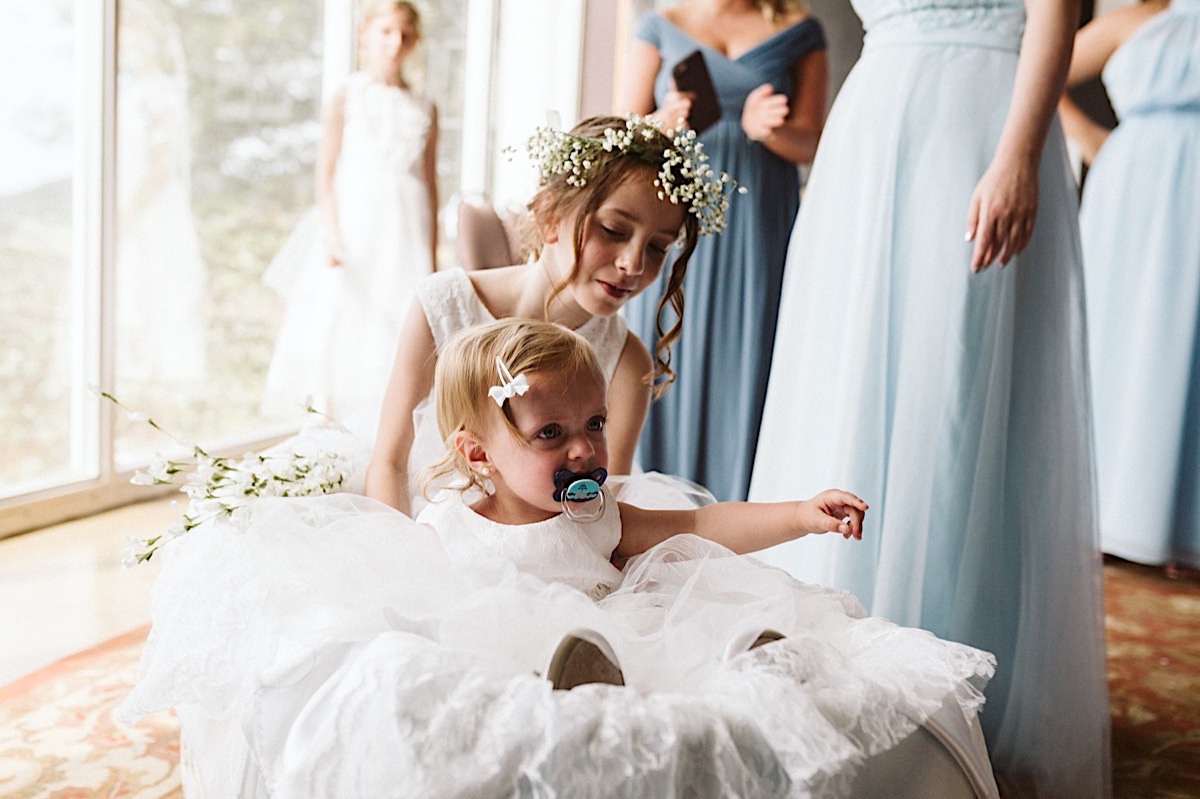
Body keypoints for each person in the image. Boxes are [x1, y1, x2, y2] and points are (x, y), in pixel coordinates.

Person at [120, 318, 998, 798]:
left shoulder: (603, 519)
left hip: (637, 624)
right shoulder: (451, 526)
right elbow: (414, 602)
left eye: (592, 426)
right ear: (476, 456)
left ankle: (754, 658)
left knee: (708, 612)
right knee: (469, 667)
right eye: (551, 433)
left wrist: (801, 513)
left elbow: (706, 528)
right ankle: (582, 688)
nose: (583, 451)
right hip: (520, 642)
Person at [746, 0, 1112, 796]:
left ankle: (951, 686)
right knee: (852, 380)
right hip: (878, 125)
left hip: (985, 119)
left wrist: (1018, 153)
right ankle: (843, 672)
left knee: (956, 398)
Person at [364, 114, 736, 515]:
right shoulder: (441, 304)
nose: (633, 263)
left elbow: (596, 506)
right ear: (549, 216)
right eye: (613, 230)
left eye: (658, 248)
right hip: (420, 521)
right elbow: (389, 463)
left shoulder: (626, 362)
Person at [618, 0, 828, 501]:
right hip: (674, 225)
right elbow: (619, 133)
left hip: (759, 228)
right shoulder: (660, 25)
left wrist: (770, 131)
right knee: (662, 353)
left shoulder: (801, 32)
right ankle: (653, 506)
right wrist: (661, 124)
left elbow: (817, 143)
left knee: (752, 357)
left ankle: (737, 510)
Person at [1059, 0, 1200, 572]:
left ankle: (1177, 523)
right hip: (1138, 186)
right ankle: (1111, 514)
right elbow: (1039, 68)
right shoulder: (1136, 20)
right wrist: (1094, 138)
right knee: (1127, 334)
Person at [260, 0, 438, 419]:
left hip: (406, 230)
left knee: (399, 327)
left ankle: (384, 421)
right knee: (344, 322)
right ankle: (333, 419)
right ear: (365, 33)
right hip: (358, 224)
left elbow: (430, 183)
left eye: (405, 35)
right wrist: (333, 234)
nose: (395, 43)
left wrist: (431, 254)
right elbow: (326, 173)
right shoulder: (348, 95)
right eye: (387, 32)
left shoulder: (426, 105)